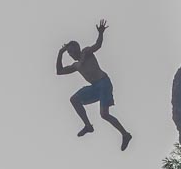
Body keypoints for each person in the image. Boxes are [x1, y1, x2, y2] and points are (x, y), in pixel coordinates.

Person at [56, 20, 132, 151]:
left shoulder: (86, 52)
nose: (70, 55)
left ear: (76, 49)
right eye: (68, 53)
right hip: (94, 88)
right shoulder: (76, 65)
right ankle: (88, 126)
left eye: (70, 52)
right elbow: (59, 71)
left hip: (103, 83)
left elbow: (98, 45)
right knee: (74, 99)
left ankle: (125, 135)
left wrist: (101, 33)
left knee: (104, 114)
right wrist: (60, 53)